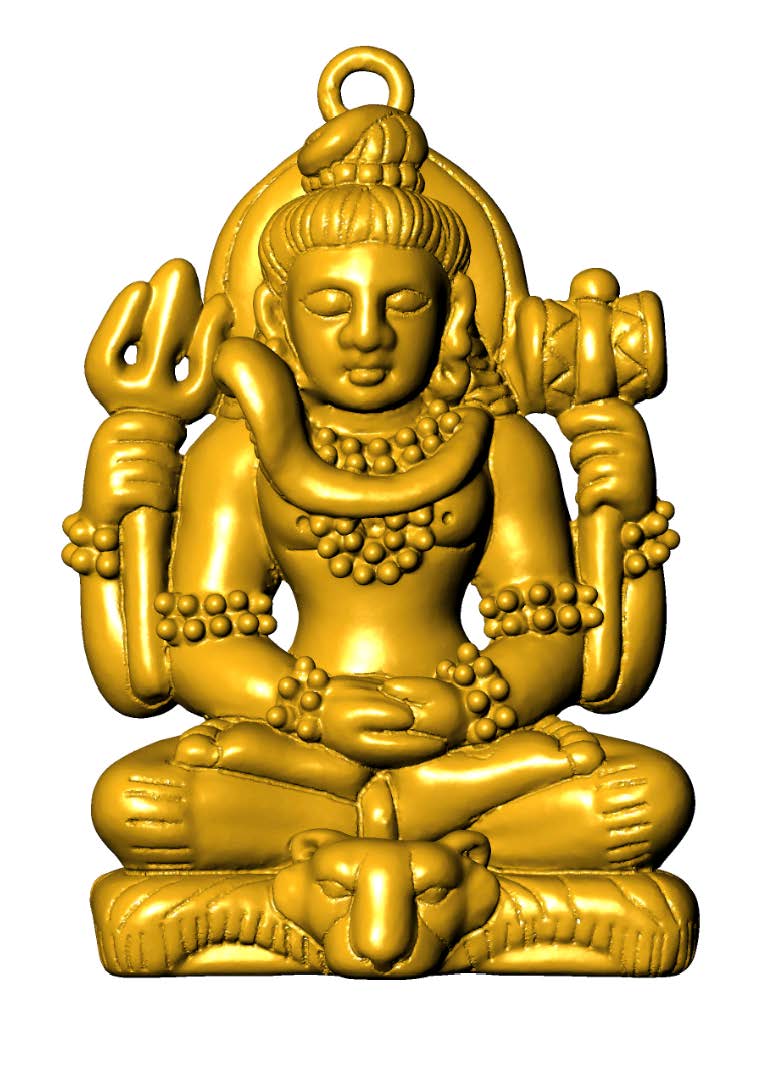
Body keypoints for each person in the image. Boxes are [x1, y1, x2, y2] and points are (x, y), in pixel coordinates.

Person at [68, 103, 692, 875]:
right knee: (136, 800)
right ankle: (434, 855)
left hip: (464, 739)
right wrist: (309, 706)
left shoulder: (499, 445)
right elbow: (202, 640)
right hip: (297, 746)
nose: (367, 333)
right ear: (276, 314)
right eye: (330, 304)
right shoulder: (238, 451)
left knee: (645, 794)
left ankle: (348, 851)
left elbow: (553, 632)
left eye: (403, 302)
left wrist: (471, 703)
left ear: (454, 310)